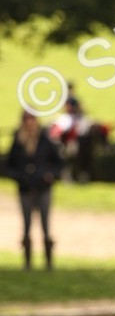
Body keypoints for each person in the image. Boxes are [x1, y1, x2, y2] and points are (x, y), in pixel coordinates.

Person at [5, 109, 62, 268]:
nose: (30, 122)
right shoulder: (18, 141)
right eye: (27, 119)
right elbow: (9, 165)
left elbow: (58, 163)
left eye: (32, 119)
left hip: (43, 188)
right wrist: (20, 177)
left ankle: (48, 262)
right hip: (25, 188)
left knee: (45, 225)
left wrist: (49, 175)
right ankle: (27, 262)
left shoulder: (45, 139)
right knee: (26, 225)